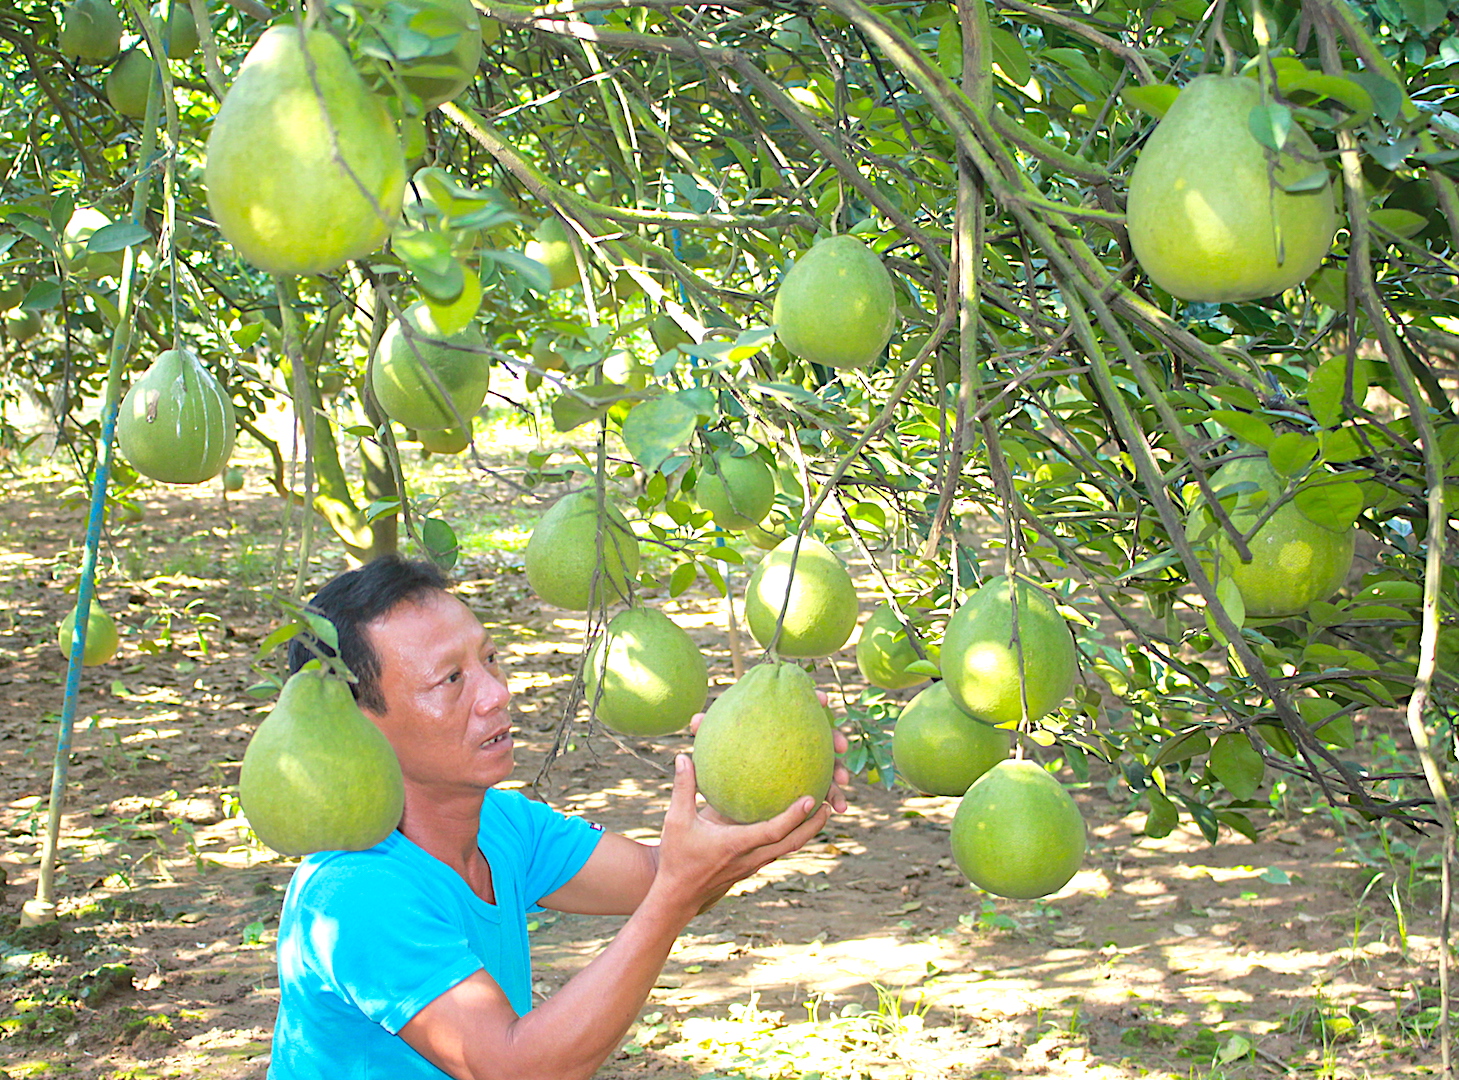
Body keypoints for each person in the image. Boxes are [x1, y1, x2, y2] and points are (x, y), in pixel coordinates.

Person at [268, 555, 850, 1080]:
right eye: (451, 679)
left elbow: (658, 873)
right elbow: (515, 1068)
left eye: (489, 658)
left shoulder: (501, 824)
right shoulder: (353, 892)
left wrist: (756, 799)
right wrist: (674, 895)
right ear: (361, 721)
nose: (496, 692)